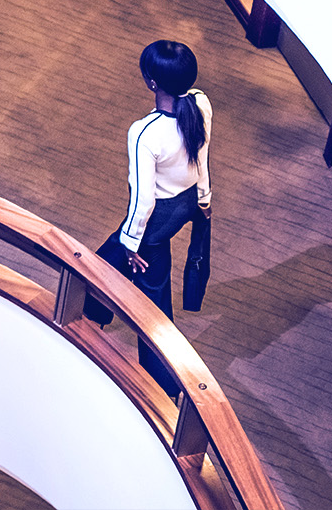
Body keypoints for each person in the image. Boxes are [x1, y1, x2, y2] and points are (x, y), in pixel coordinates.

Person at [92, 40, 213, 397]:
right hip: (188, 203)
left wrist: (132, 244)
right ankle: (91, 313)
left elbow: (143, 198)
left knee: (152, 296)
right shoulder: (201, 103)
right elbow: (202, 156)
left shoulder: (145, 132)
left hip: (156, 221)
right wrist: (204, 199)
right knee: (103, 265)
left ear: (152, 83)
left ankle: (164, 383)